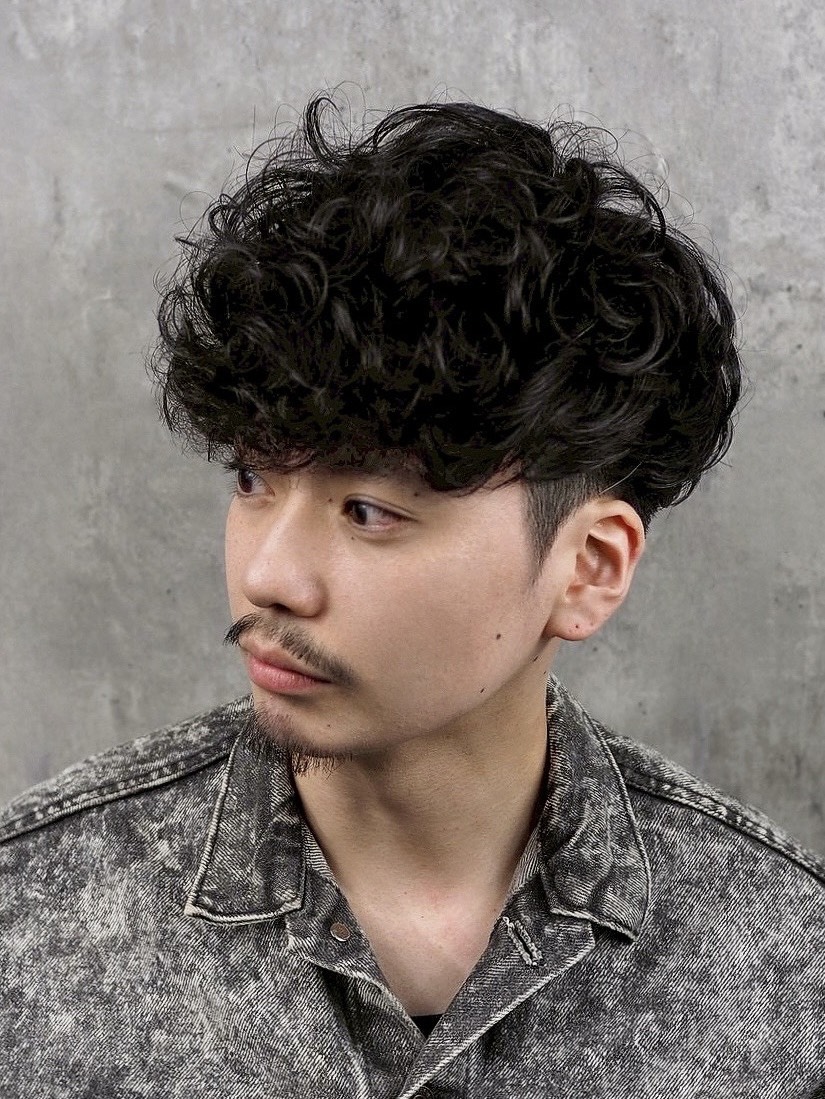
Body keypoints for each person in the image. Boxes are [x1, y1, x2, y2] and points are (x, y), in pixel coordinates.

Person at [2, 94, 823, 1098]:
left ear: (588, 567)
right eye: (253, 479)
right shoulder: (31, 918)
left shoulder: (785, 974)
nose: (267, 575)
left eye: (367, 510)